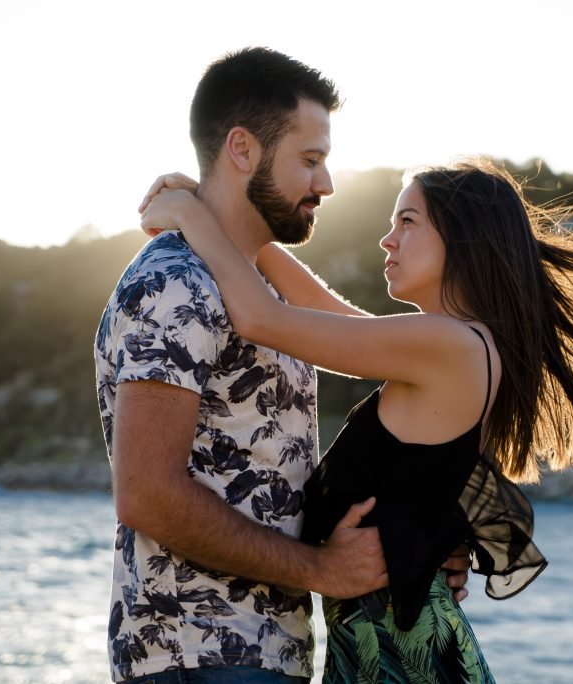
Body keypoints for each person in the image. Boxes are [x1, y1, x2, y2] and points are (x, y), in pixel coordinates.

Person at [138, 158, 573, 682]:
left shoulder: (449, 346)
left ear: (464, 239)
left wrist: (192, 214)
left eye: (407, 222)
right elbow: (323, 312)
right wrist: (233, 226)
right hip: (387, 646)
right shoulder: (453, 345)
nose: (388, 239)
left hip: (404, 654)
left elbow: (263, 319)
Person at [95, 47, 470, 684]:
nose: (326, 184)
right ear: (243, 149)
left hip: (266, 651)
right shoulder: (175, 283)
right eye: (310, 159)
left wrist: (424, 537)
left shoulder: (257, 293)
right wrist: (322, 569)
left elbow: (349, 353)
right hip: (198, 652)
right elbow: (147, 494)